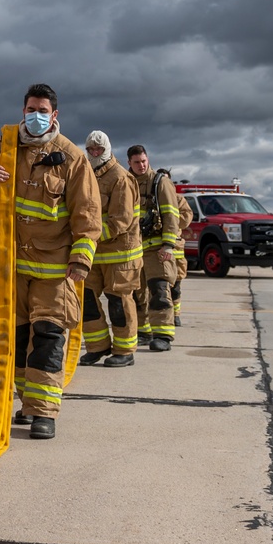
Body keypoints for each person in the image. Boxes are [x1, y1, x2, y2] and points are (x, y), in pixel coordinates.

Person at [0, 84, 101, 439]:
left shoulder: (72, 158)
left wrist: (81, 259)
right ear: (24, 111)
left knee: (49, 338)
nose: (36, 115)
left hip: (54, 270)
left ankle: (44, 413)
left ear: (54, 116)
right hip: (11, 268)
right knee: (16, 340)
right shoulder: (3, 148)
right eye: (31, 109)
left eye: (43, 110)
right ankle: (26, 402)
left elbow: (88, 213)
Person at [78, 131, 142, 368]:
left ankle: (125, 350)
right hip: (94, 255)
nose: (95, 154)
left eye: (99, 150)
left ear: (107, 149)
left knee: (118, 303)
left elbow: (121, 220)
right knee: (86, 299)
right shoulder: (87, 174)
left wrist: (90, 236)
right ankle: (98, 346)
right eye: (91, 150)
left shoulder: (121, 178)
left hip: (120, 256)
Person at [127, 145, 179, 351]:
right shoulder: (126, 182)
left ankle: (163, 335)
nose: (141, 165)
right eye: (137, 162)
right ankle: (144, 331)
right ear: (129, 163)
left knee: (159, 291)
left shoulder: (160, 182)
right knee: (136, 293)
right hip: (133, 249)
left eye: (144, 161)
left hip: (157, 249)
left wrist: (168, 245)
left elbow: (171, 214)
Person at [156, 170, 193, 328]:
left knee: (175, 287)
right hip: (156, 249)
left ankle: (176, 315)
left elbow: (186, 218)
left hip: (176, 249)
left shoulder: (179, 199)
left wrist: (169, 219)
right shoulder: (153, 199)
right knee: (158, 288)